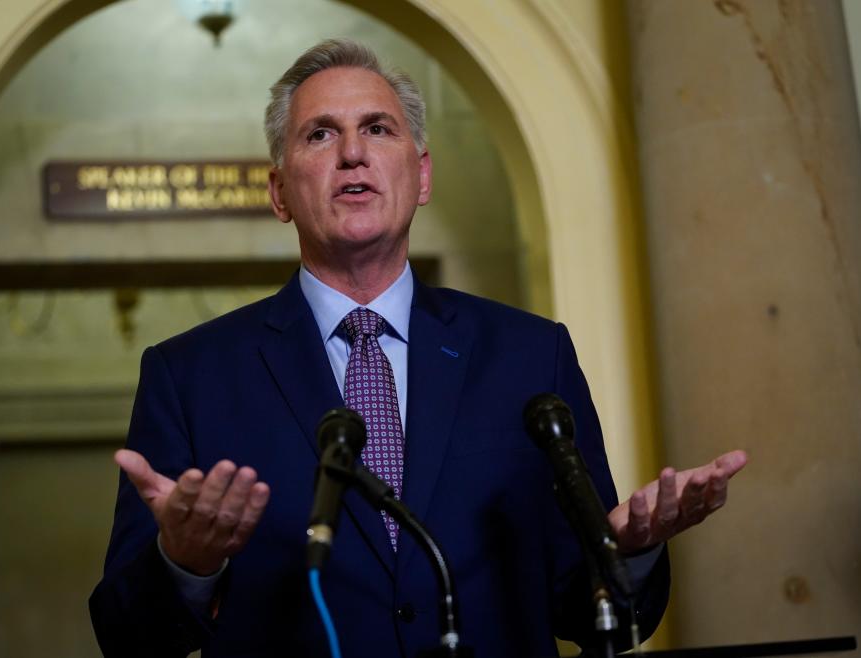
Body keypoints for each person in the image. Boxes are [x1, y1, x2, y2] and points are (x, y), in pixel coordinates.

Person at [89, 39, 747, 657]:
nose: (352, 153)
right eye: (320, 134)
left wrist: (626, 550)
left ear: (422, 175)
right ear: (279, 192)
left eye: (378, 129)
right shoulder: (191, 375)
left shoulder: (529, 356)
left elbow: (596, 619)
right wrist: (185, 564)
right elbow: (126, 636)